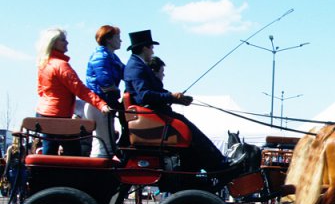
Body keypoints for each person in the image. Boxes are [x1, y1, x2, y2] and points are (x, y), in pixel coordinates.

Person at [122, 30, 225, 172]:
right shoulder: (136, 67)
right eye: (151, 48)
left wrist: (178, 99)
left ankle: (202, 166)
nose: (152, 51)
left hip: (154, 112)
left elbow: (155, 93)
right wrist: (171, 97)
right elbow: (145, 95)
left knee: (186, 128)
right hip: (151, 113)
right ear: (145, 47)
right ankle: (218, 163)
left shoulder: (138, 65)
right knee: (188, 127)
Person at [36, 28, 111, 155]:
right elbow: (80, 89)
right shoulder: (61, 65)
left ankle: (43, 175)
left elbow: (40, 90)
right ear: (54, 43)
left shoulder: (44, 64)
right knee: (74, 154)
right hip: (59, 116)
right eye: (63, 40)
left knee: (48, 154)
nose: (67, 43)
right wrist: (101, 104)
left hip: (43, 114)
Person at [85, 25, 125, 158]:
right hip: (100, 103)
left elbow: (126, 73)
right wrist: (116, 96)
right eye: (118, 37)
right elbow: (105, 82)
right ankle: (99, 174)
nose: (120, 40)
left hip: (102, 103)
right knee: (104, 145)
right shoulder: (101, 56)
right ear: (108, 39)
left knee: (103, 143)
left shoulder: (111, 56)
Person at [3, 136, 27, 204]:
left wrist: (6, 172)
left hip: (18, 169)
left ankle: (18, 202)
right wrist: (6, 172)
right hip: (15, 169)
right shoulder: (12, 148)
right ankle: (16, 203)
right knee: (15, 188)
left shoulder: (22, 148)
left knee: (19, 187)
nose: (22, 140)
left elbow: (22, 160)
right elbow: (8, 161)